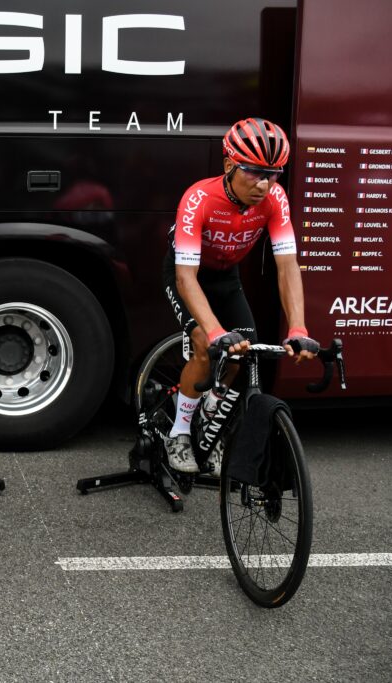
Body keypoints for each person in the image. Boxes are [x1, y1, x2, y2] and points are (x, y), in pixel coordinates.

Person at [163, 117, 319, 474]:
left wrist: (298, 327)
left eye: (273, 174)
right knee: (205, 344)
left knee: (241, 354)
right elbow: (185, 277)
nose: (264, 184)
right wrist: (214, 331)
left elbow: (287, 267)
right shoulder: (199, 198)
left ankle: (210, 417)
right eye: (254, 172)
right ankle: (180, 432)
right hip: (187, 273)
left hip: (226, 277)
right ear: (229, 165)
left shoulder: (275, 199)